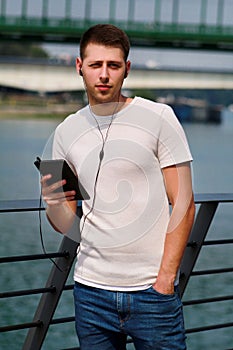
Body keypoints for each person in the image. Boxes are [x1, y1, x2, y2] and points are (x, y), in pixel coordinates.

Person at [41, 24, 195, 350]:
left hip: (152, 293)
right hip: (90, 291)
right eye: (96, 65)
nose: (104, 75)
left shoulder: (159, 116)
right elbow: (65, 224)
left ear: (127, 68)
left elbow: (183, 202)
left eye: (113, 65)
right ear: (79, 67)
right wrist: (54, 201)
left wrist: (166, 280)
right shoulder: (65, 131)